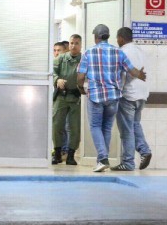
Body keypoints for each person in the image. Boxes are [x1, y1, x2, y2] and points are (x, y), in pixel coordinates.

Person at [77, 24, 146, 173]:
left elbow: (80, 76)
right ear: (107, 36)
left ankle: (102, 159)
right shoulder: (118, 52)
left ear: (96, 36)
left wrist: (81, 88)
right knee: (107, 128)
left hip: (96, 96)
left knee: (95, 127)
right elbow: (132, 71)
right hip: (114, 97)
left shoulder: (89, 52)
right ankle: (102, 160)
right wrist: (140, 74)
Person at [113, 27, 152, 171]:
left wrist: (117, 91)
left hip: (129, 94)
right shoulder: (140, 50)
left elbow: (124, 74)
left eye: (117, 38)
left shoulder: (122, 52)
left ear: (121, 38)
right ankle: (144, 151)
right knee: (135, 124)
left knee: (126, 129)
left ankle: (128, 162)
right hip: (142, 93)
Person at [52, 34, 82, 165]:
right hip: (61, 96)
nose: (73, 46)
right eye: (71, 43)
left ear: (80, 45)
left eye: (76, 43)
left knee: (74, 127)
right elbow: (52, 72)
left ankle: (71, 155)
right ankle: (57, 153)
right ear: (68, 44)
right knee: (57, 124)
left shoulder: (84, 59)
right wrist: (57, 79)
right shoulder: (61, 58)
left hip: (76, 97)